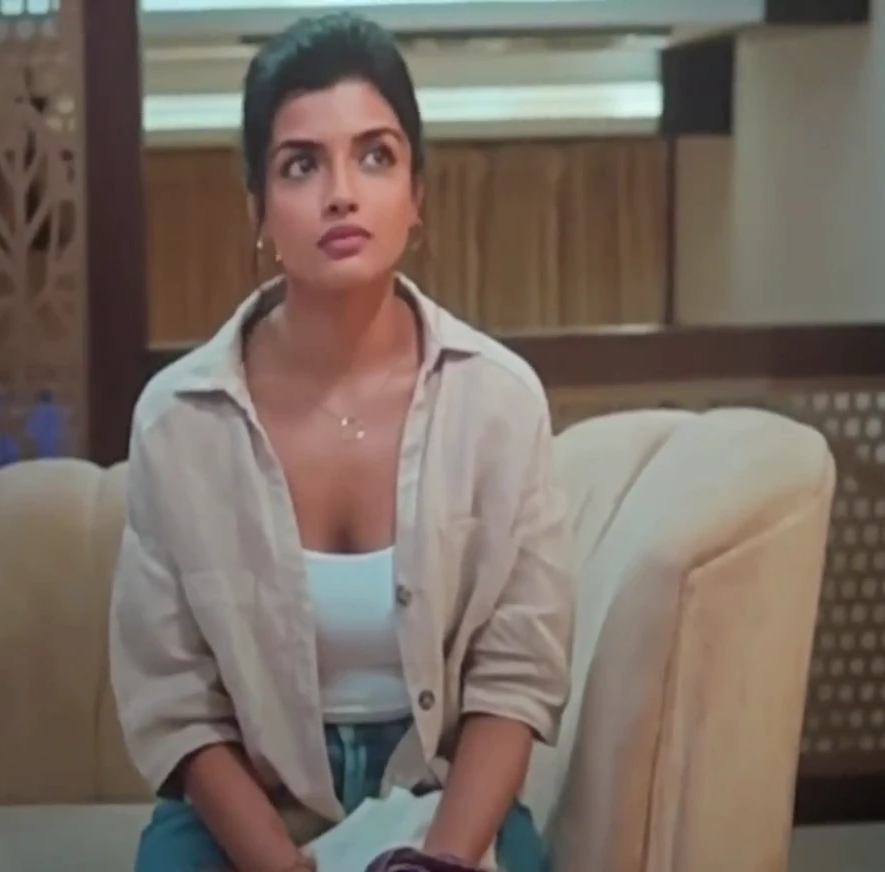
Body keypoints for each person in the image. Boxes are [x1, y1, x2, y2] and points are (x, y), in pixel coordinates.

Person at [110, 13, 575, 872]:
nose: (341, 193)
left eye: (375, 156)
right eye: (301, 164)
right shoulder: (179, 420)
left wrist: (440, 860)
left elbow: (516, 678)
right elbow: (174, 699)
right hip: (251, 800)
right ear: (258, 209)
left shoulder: (499, 403)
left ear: (416, 194)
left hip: (442, 790)